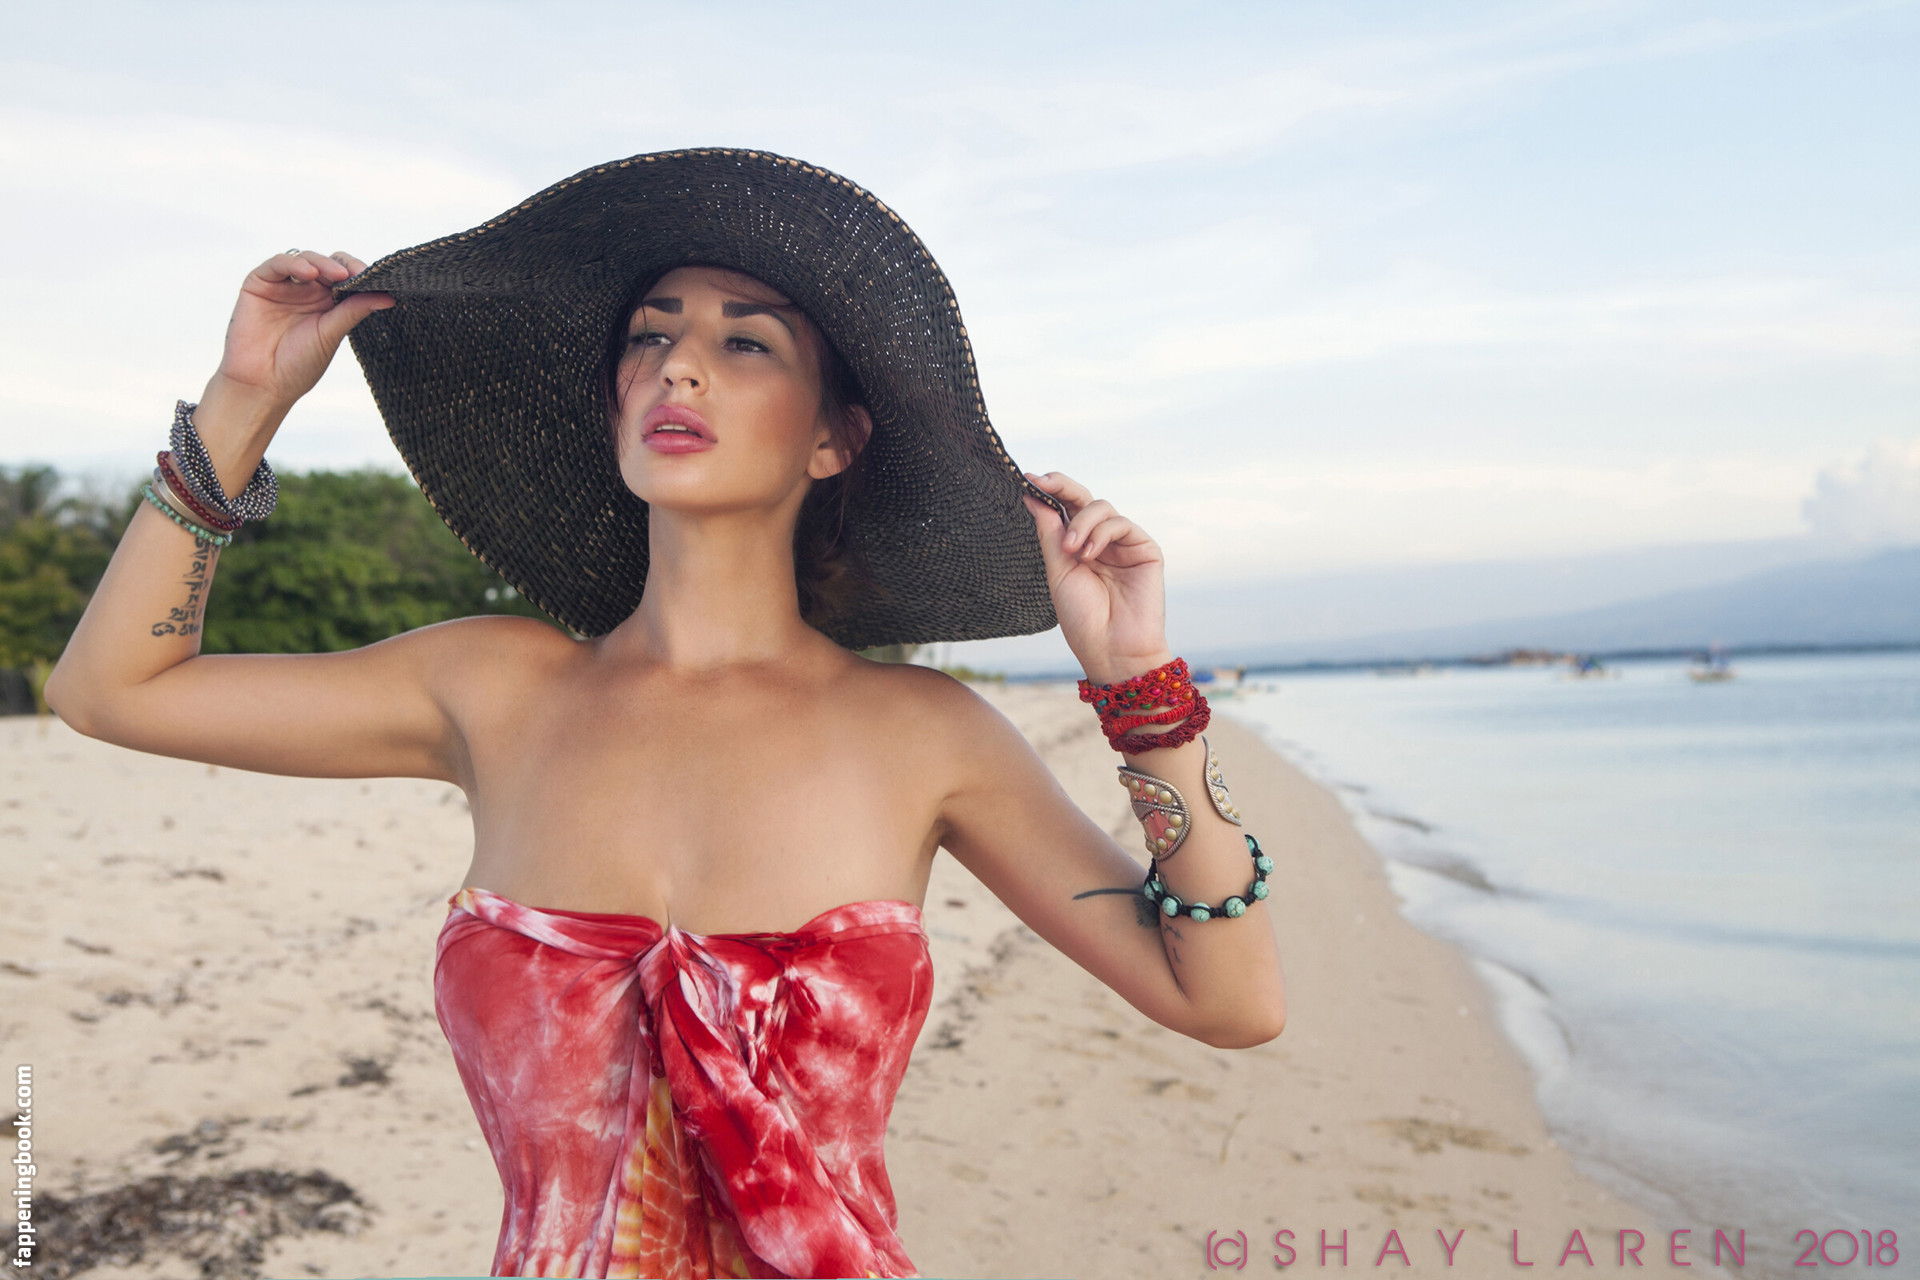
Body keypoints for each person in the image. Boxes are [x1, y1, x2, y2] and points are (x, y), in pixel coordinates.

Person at [46, 148, 1286, 1280]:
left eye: (746, 342)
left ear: (835, 437)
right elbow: (111, 689)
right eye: (651, 336)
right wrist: (243, 400)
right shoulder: (494, 688)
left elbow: (1228, 1001)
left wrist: (1142, 690)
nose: (678, 365)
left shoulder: (924, 733)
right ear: (614, 404)